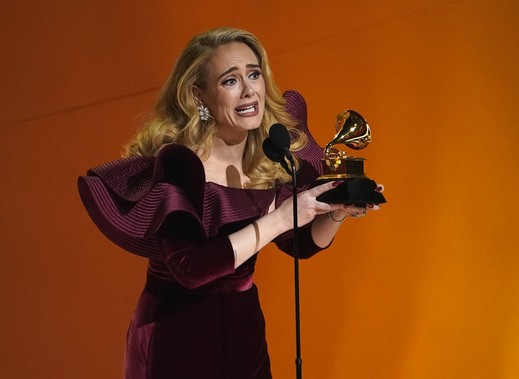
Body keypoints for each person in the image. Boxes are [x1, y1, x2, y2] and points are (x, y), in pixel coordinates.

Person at [78, 27, 381, 379]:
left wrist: (336, 213)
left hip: (243, 329)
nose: (250, 90)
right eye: (230, 81)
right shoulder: (179, 165)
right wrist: (281, 218)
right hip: (177, 334)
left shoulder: (267, 156)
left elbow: (299, 243)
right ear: (198, 96)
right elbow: (190, 269)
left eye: (254, 74)